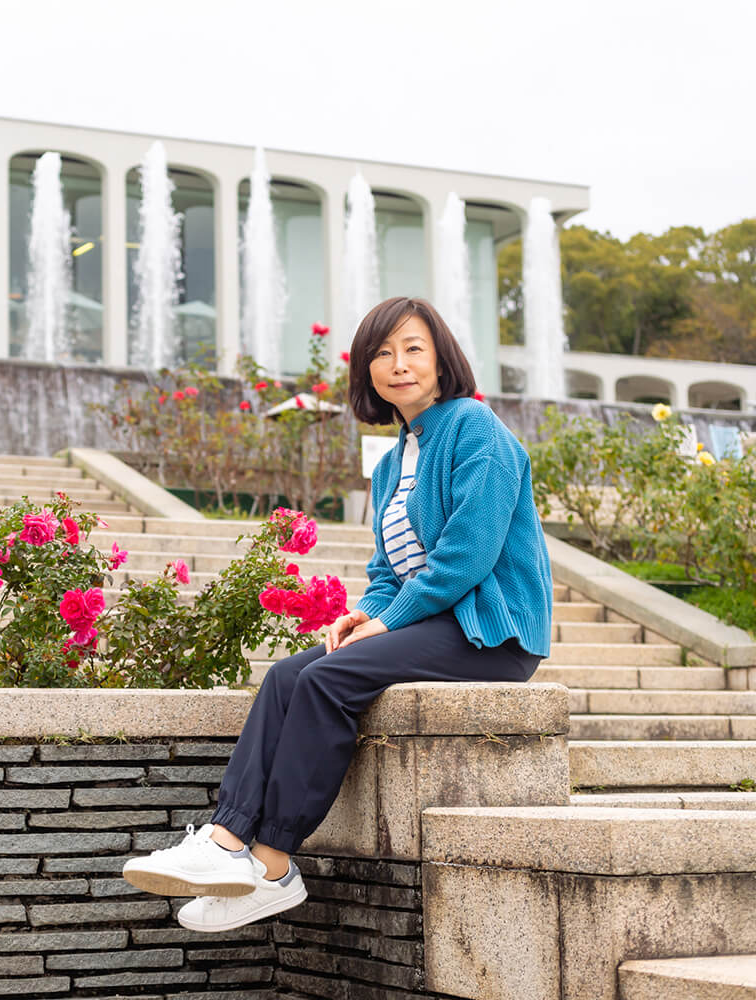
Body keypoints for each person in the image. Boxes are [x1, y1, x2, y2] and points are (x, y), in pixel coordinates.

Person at [122, 296, 553, 932]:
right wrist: (365, 614)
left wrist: (387, 621)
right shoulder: (391, 463)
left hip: (491, 632)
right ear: (367, 373)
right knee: (288, 676)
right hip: (434, 624)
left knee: (327, 680)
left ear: (442, 359)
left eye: (413, 348)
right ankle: (225, 840)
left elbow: (467, 556)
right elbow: (389, 571)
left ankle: (271, 863)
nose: (398, 364)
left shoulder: (474, 429)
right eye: (382, 353)